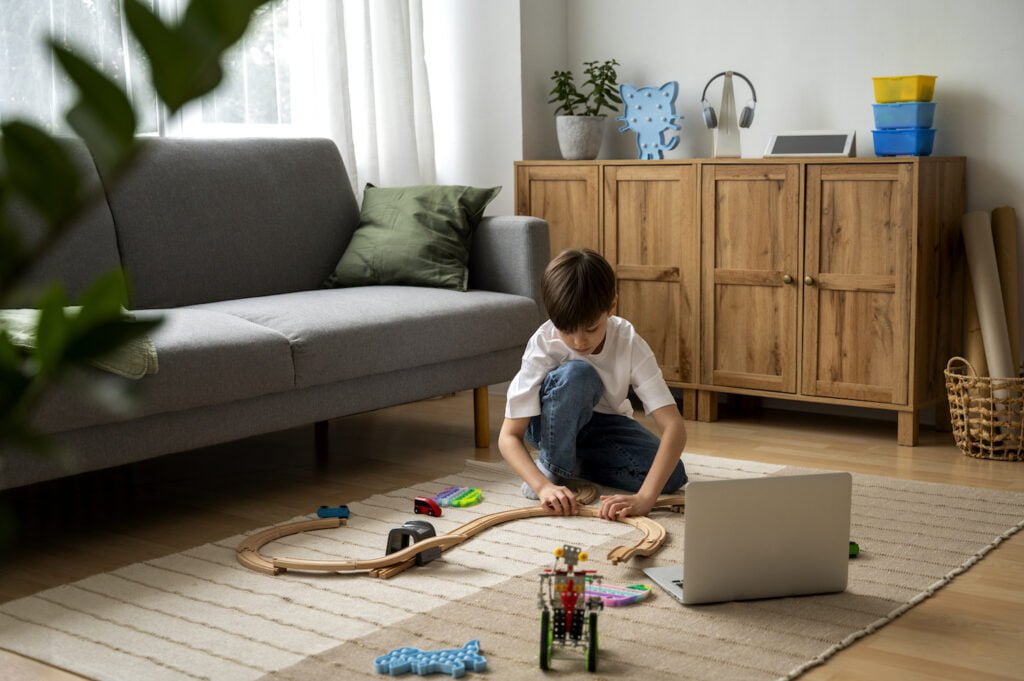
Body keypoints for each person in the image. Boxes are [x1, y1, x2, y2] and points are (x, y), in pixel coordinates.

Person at [498, 248, 688, 520]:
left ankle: (576, 462)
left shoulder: (629, 342)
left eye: (590, 328)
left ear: (611, 307)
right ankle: (554, 467)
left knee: (673, 476)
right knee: (578, 375)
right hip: (549, 422)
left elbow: (674, 427)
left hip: (603, 426)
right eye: (567, 331)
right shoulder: (543, 343)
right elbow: (509, 436)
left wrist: (646, 498)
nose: (579, 341)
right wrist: (543, 487)